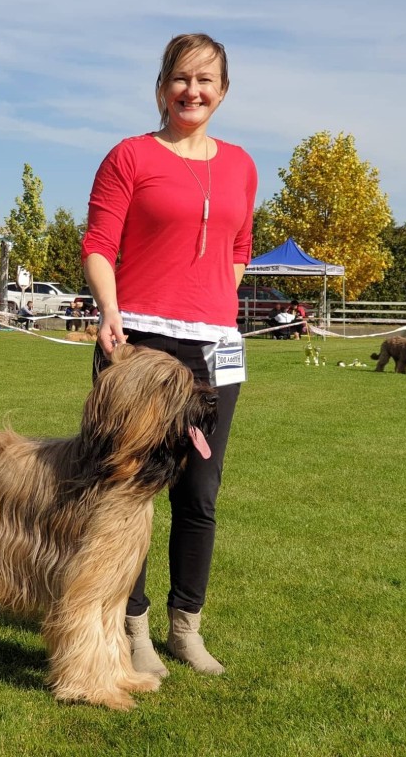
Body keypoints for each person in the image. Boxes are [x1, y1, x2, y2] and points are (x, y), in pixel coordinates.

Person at [81, 33, 257, 677]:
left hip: (215, 351)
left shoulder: (241, 164)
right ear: (162, 88)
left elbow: (240, 248)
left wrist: (215, 304)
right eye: (182, 79)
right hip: (139, 346)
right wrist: (110, 313)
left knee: (200, 493)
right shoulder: (130, 156)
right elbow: (99, 242)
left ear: (223, 92)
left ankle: (187, 627)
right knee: (128, 490)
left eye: (206, 80)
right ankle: (130, 628)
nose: (194, 91)